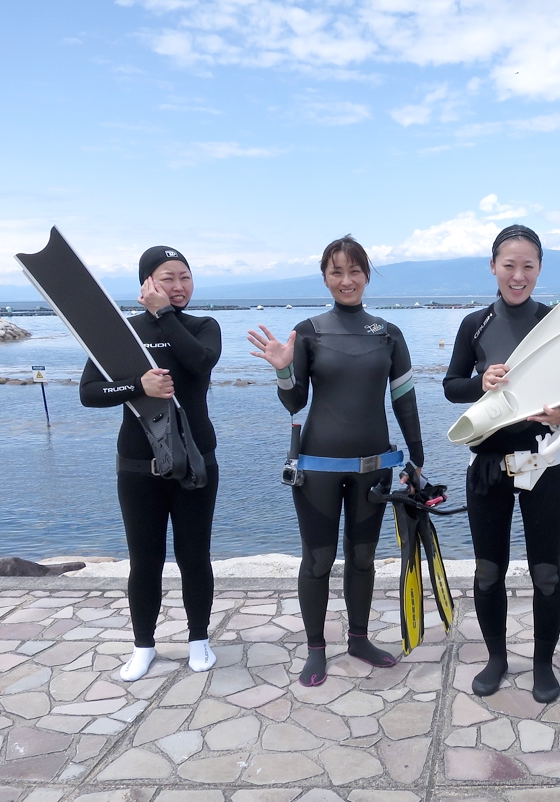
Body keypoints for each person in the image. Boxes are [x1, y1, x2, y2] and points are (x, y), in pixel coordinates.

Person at [248, 235, 424, 687]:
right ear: (325, 278)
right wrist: (283, 368)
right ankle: (315, 649)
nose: (346, 280)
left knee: (363, 558)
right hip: (317, 468)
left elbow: (405, 402)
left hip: (374, 464)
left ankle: (359, 639)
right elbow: (295, 403)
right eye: (336, 272)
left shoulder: (389, 333)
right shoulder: (307, 332)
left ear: (367, 275)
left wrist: (416, 460)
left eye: (354, 271)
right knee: (318, 561)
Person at [443, 224, 560, 704]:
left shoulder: (555, 324)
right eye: (509, 265)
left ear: (540, 269)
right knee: (487, 570)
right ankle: (497, 658)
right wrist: (482, 381)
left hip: (543, 464)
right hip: (488, 466)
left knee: (547, 572)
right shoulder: (475, 325)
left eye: (528, 266)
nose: (518, 275)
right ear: (493, 266)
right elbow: (451, 385)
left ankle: (543, 664)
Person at [80, 246, 221, 682]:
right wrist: (134, 385)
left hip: (196, 461)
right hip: (138, 468)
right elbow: (88, 393)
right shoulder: (122, 332)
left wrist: (163, 316)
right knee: (145, 561)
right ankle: (144, 645)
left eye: (185, 277)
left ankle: (199, 640)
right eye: (166, 278)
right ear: (147, 283)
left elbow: (199, 364)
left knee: (194, 556)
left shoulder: (203, 327)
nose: (178, 286)